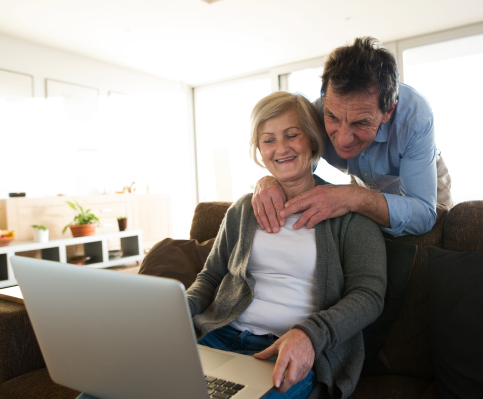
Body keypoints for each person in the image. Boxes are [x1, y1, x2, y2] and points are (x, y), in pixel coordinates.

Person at [76, 91, 386, 399]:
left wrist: (310, 335)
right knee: (106, 388)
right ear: (258, 150)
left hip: (288, 351)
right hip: (217, 335)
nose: (281, 148)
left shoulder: (350, 212)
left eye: (292, 135)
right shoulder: (243, 210)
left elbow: (368, 295)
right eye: (268, 140)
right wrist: (177, 311)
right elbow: (211, 275)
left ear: (313, 140)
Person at [252, 37, 452, 238]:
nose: (343, 140)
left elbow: (423, 215)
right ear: (324, 97)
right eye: (333, 117)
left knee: (435, 237)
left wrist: (355, 197)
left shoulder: (415, 117)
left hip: (423, 181)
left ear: (388, 111)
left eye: (361, 122)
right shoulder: (315, 114)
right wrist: (268, 181)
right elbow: (296, 167)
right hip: (362, 184)